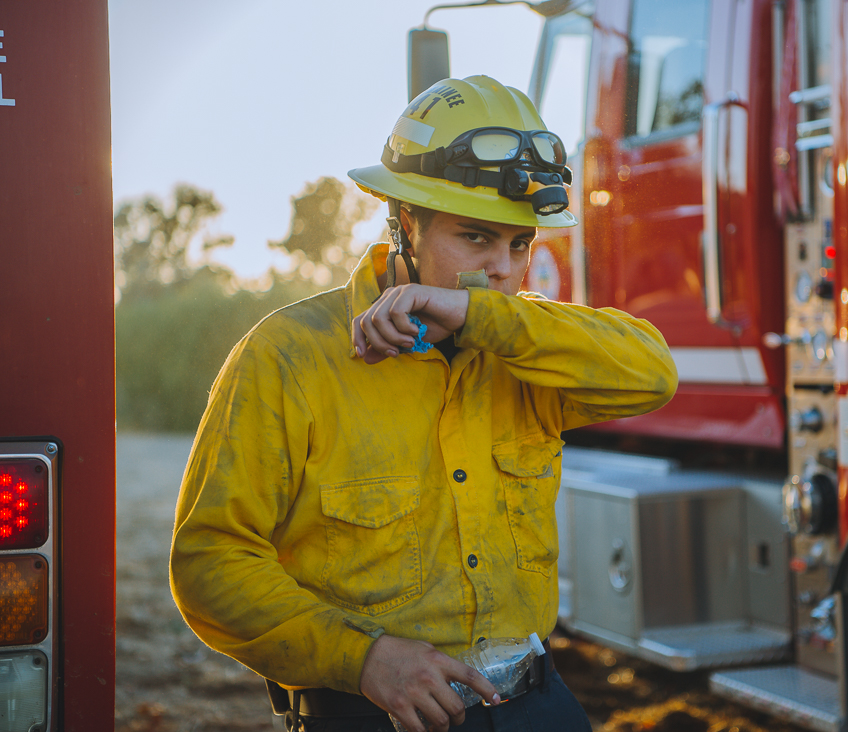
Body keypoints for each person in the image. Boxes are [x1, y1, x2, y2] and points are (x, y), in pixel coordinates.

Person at [169, 75, 677, 732]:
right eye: (475, 238)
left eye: (519, 245)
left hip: (531, 706)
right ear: (404, 222)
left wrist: (478, 317)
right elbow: (210, 561)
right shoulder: (288, 356)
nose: (501, 269)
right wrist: (365, 659)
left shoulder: (521, 350)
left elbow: (652, 373)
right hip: (370, 712)